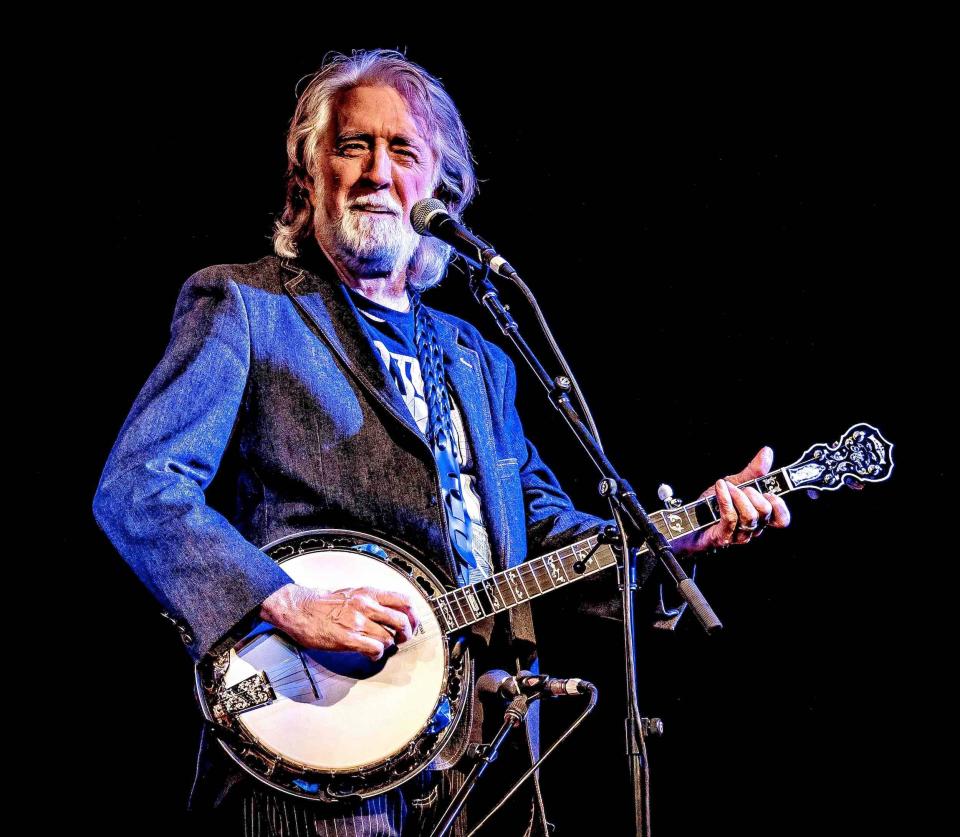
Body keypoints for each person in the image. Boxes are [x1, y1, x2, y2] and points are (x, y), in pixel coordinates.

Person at [92, 49, 790, 837]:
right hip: (317, 751)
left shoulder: (479, 357)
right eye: (352, 146)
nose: (375, 172)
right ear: (307, 176)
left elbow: (544, 539)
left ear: (438, 188)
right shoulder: (246, 306)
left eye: (403, 151)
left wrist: (679, 537)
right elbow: (140, 487)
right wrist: (283, 600)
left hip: (486, 758)